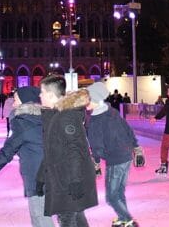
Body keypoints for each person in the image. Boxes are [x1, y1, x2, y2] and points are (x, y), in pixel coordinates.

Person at [0, 86, 53, 227]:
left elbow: (8, 150)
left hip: (37, 176)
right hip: (53, 173)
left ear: (25, 102)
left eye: (16, 100)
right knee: (39, 215)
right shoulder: (48, 118)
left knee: (40, 216)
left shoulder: (23, 123)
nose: (13, 104)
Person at [37, 75, 97, 226]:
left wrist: (76, 180)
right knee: (76, 217)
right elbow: (52, 150)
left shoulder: (66, 117)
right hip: (63, 175)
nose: (40, 96)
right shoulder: (56, 115)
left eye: (42, 92)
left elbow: (75, 149)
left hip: (69, 178)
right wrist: (41, 176)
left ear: (51, 95)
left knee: (67, 219)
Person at [86, 82, 142, 227]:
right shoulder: (112, 112)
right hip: (126, 156)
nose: (85, 102)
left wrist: (96, 162)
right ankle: (123, 219)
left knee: (111, 197)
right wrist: (136, 147)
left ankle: (128, 220)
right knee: (119, 192)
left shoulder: (95, 120)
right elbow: (128, 129)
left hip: (115, 159)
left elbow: (96, 146)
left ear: (95, 99)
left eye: (88, 99)